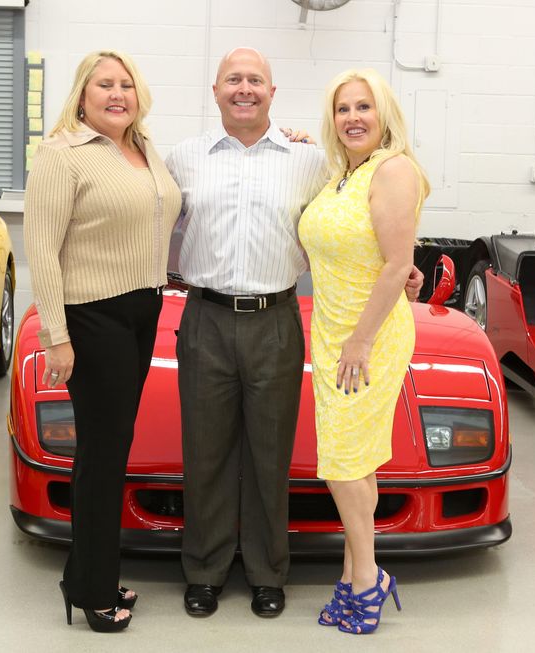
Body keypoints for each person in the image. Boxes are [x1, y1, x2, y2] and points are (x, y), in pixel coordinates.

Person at [166, 47, 422, 620]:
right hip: (205, 316)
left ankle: (266, 573)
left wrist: (404, 270)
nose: (245, 88)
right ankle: (204, 571)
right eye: (233, 79)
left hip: (277, 319)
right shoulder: (183, 157)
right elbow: (143, 213)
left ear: (272, 92)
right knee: (204, 451)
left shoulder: (310, 162)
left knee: (271, 452)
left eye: (256, 79)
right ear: (215, 90)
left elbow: (370, 226)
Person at [24, 50, 181, 633]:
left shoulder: (143, 148)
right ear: (83, 95)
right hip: (92, 317)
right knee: (103, 455)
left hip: (142, 309)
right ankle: (92, 592)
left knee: (112, 449)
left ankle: (92, 575)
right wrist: (56, 337)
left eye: (126, 84)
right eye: (104, 85)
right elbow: (42, 248)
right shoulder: (61, 153)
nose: (117, 94)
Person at [298, 67, 430, 635]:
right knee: (355, 462)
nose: (353, 117)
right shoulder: (342, 175)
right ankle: (355, 574)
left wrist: (361, 339)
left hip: (367, 337)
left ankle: (367, 581)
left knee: (343, 464)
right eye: (342, 108)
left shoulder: (393, 169)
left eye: (363, 107)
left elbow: (399, 264)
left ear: (384, 115)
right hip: (333, 332)